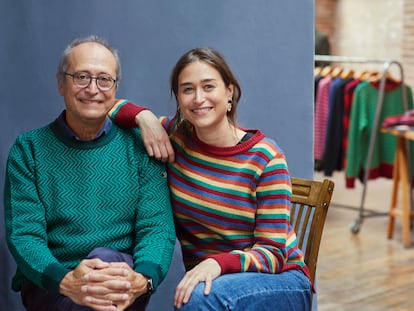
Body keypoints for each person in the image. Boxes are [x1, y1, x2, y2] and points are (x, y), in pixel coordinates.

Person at [108, 47, 313, 311]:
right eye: (187, 89)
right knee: (201, 297)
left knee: (201, 299)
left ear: (229, 92)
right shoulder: (175, 137)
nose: (198, 98)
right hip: (212, 283)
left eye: (208, 86)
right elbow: (106, 104)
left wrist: (218, 263)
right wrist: (144, 117)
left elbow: (273, 254)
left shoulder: (264, 157)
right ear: (179, 99)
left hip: (280, 281)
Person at [4, 35, 175, 311]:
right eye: (81, 76)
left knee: (106, 263)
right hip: (52, 285)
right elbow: (24, 236)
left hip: (123, 282)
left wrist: (143, 279)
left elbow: (157, 228)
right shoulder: (29, 150)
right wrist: (67, 281)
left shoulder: (140, 147)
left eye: (104, 79)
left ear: (115, 88)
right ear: (61, 84)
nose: (92, 89)